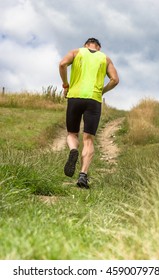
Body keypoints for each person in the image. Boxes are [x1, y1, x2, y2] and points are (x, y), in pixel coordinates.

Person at [59, 37, 119, 189]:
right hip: (94, 100)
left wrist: (66, 85)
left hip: (74, 97)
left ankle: (73, 150)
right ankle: (83, 175)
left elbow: (62, 64)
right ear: (98, 47)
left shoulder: (76, 52)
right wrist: (101, 91)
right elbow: (115, 80)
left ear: (86, 45)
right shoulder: (105, 58)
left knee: (72, 134)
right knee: (89, 139)